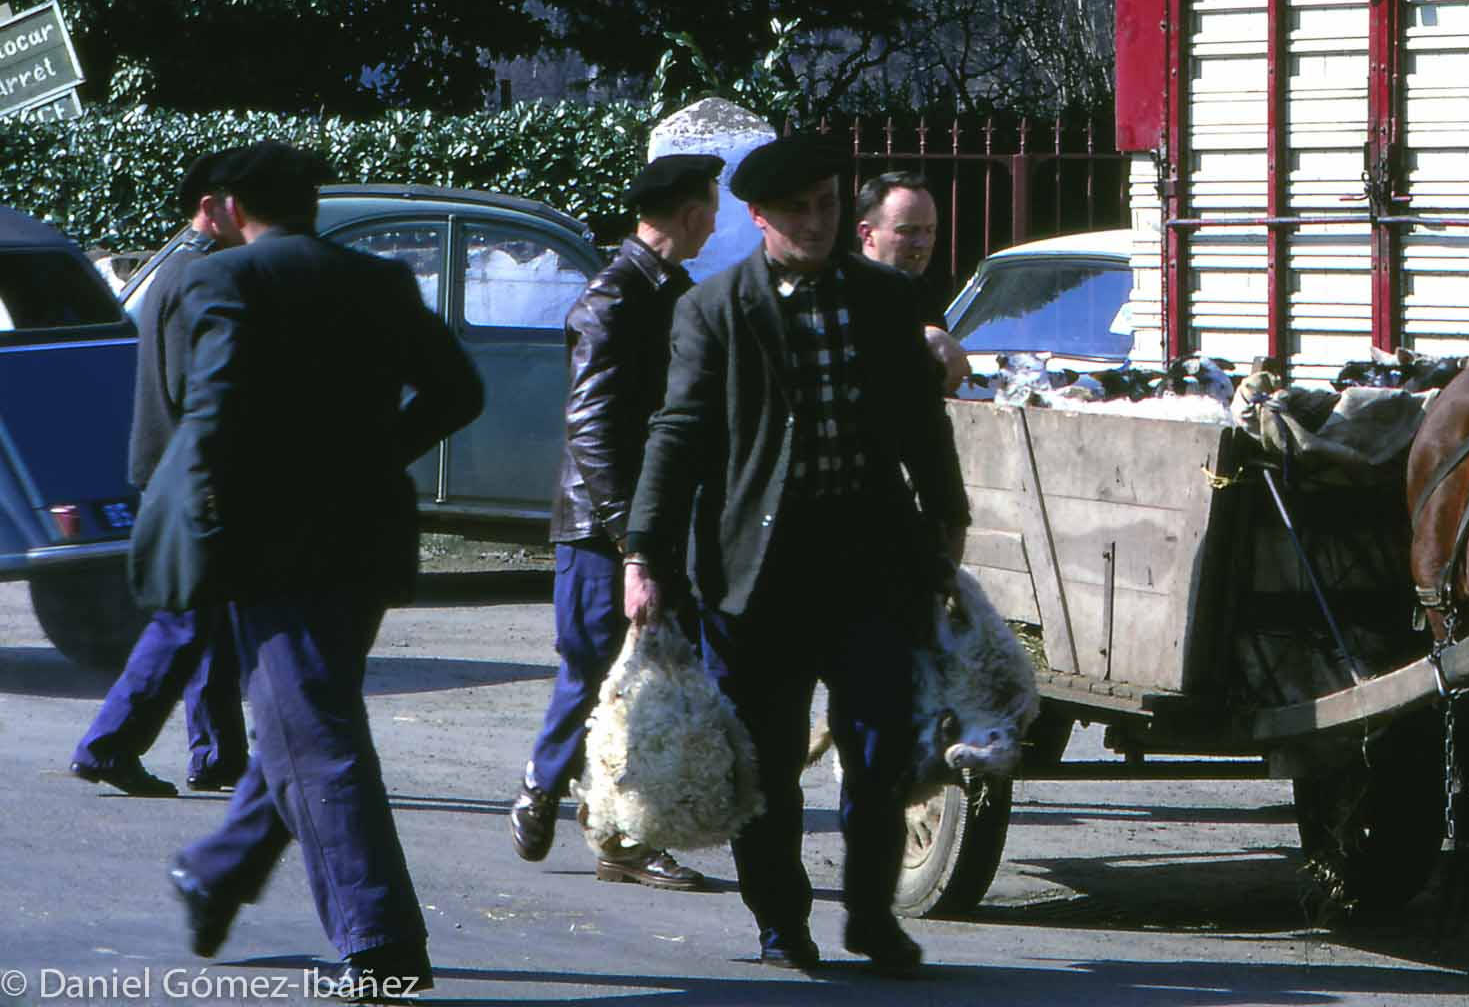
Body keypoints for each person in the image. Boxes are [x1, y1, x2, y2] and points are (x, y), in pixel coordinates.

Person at [623, 133, 969, 976]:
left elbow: (924, 425)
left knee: (883, 754)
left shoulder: (885, 298)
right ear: (758, 218)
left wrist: (947, 518)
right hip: (757, 574)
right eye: (794, 213)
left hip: (870, 562)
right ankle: (782, 924)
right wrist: (643, 554)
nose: (814, 225)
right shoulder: (715, 308)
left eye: (824, 207)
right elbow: (678, 435)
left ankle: (871, 915)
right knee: (767, 767)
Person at [159, 142, 483, 1002]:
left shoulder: (222, 281)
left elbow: (211, 421)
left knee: (318, 740)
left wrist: (203, 530)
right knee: (307, 723)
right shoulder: (381, 280)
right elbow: (458, 392)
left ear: (228, 206)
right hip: (370, 542)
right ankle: (218, 872)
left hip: (275, 551)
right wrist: (375, 459)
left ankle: (380, 947)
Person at [508, 153, 722, 891]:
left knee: (633, 682)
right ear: (692, 215)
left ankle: (619, 838)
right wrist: (634, 537)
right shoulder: (614, 299)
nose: (715, 224)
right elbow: (592, 426)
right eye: (712, 209)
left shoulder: (668, 292)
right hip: (605, 529)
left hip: (639, 523)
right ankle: (544, 788)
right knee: (602, 671)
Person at [68, 153, 250, 797]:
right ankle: (108, 745)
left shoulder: (179, 268)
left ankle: (219, 755)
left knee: (212, 625)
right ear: (214, 204)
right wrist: (206, 481)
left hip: (176, 472)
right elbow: (191, 391)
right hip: (187, 476)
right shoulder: (199, 275)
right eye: (240, 203)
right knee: (185, 622)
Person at [853, 168, 968, 392]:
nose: (922, 243)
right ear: (867, 234)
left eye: (929, 230)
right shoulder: (845, 292)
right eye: (908, 231)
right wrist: (916, 339)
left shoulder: (920, 292)